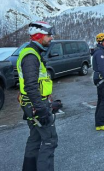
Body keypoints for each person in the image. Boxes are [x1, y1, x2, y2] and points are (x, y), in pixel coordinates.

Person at [17, 21, 58, 171]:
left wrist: (47, 97)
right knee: (50, 140)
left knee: (35, 139)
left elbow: (31, 82)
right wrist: (41, 109)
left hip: (33, 104)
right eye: (49, 35)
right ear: (39, 36)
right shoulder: (30, 56)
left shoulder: (33, 53)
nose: (51, 38)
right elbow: (31, 85)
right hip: (36, 107)